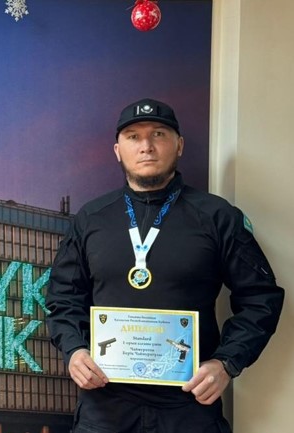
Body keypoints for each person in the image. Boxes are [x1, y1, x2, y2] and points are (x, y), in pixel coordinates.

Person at [45, 98, 284, 433]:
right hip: (105, 407)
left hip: (189, 406)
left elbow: (261, 298)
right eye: (133, 136)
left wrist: (227, 362)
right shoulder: (91, 218)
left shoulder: (217, 216)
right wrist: (74, 350)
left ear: (179, 145)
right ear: (118, 150)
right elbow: (62, 299)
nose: (146, 146)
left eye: (158, 134)